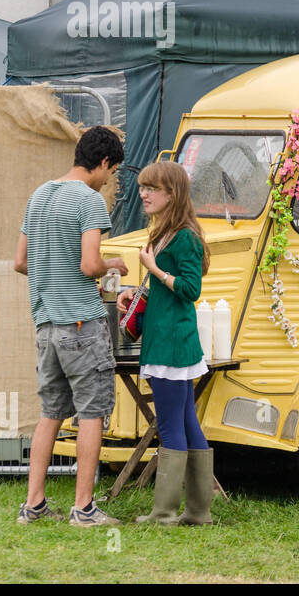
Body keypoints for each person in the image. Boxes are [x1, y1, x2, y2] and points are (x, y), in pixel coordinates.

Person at [14, 126, 128, 527]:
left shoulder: (39, 196)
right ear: (102, 163)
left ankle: (34, 505)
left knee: (49, 413)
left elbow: (20, 262)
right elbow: (89, 265)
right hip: (81, 323)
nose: (109, 180)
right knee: (92, 413)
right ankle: (83, 509)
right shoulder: (90, 201)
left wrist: (53, 269)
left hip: (46, 323)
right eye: (111, 172)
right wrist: (112, 264)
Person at [118, 161, 214, 526]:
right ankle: (198, 511)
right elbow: (165, 291)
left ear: (172, 194)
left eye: (152, 188)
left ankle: (164, 513)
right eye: (143, 187)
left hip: (172, 345)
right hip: (168, 340)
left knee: (172, 424)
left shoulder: (184, 236)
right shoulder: (167, 233)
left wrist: (155, 268)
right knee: (186, 421)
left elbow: (190, 290)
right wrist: (134, 291)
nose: (143, 193)